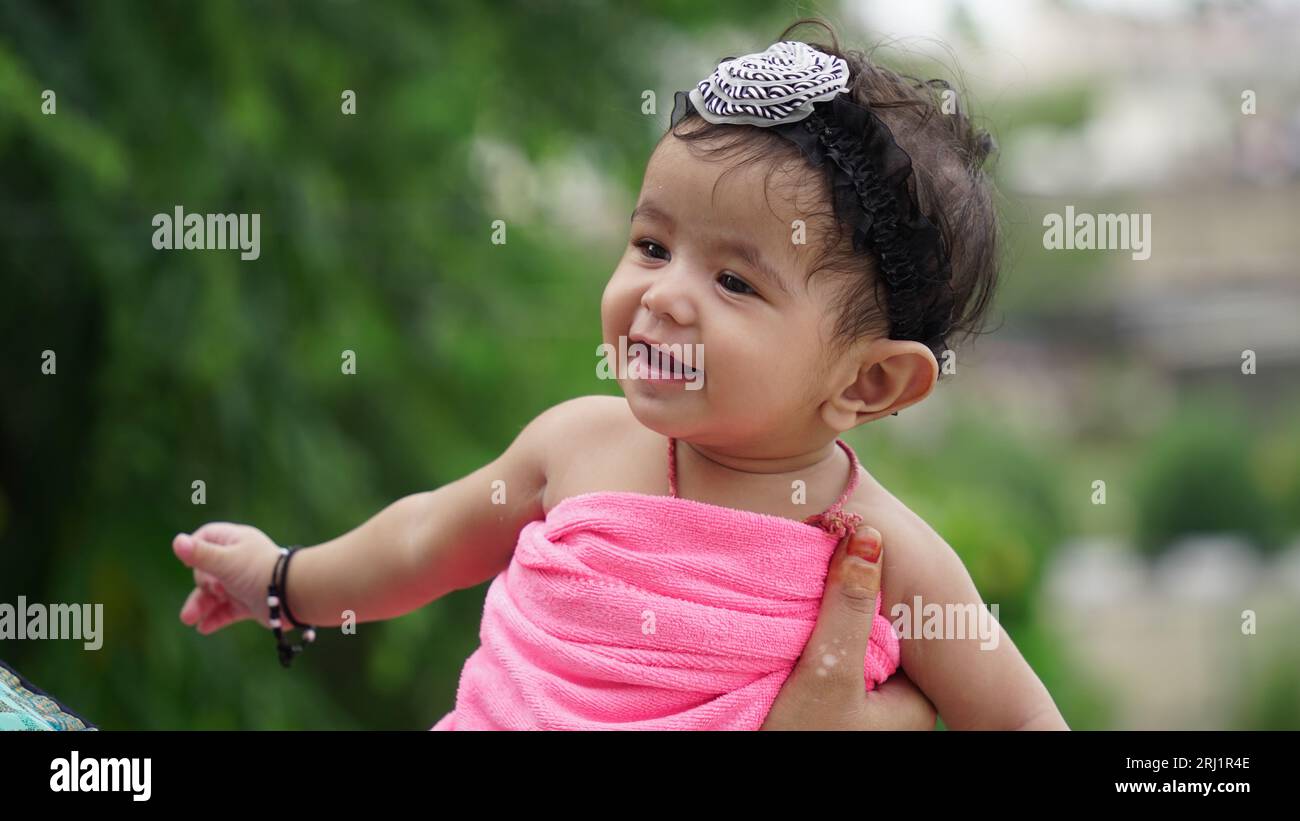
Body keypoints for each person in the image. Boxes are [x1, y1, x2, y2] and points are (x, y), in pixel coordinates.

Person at [173, 20, 1066, 731]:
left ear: (868, 384)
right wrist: (285, 580)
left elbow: (1021, 715)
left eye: (734, 281)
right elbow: (420, 542)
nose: (663, 295)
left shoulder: (882, 552)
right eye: (651, 244)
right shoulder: (580, 442)